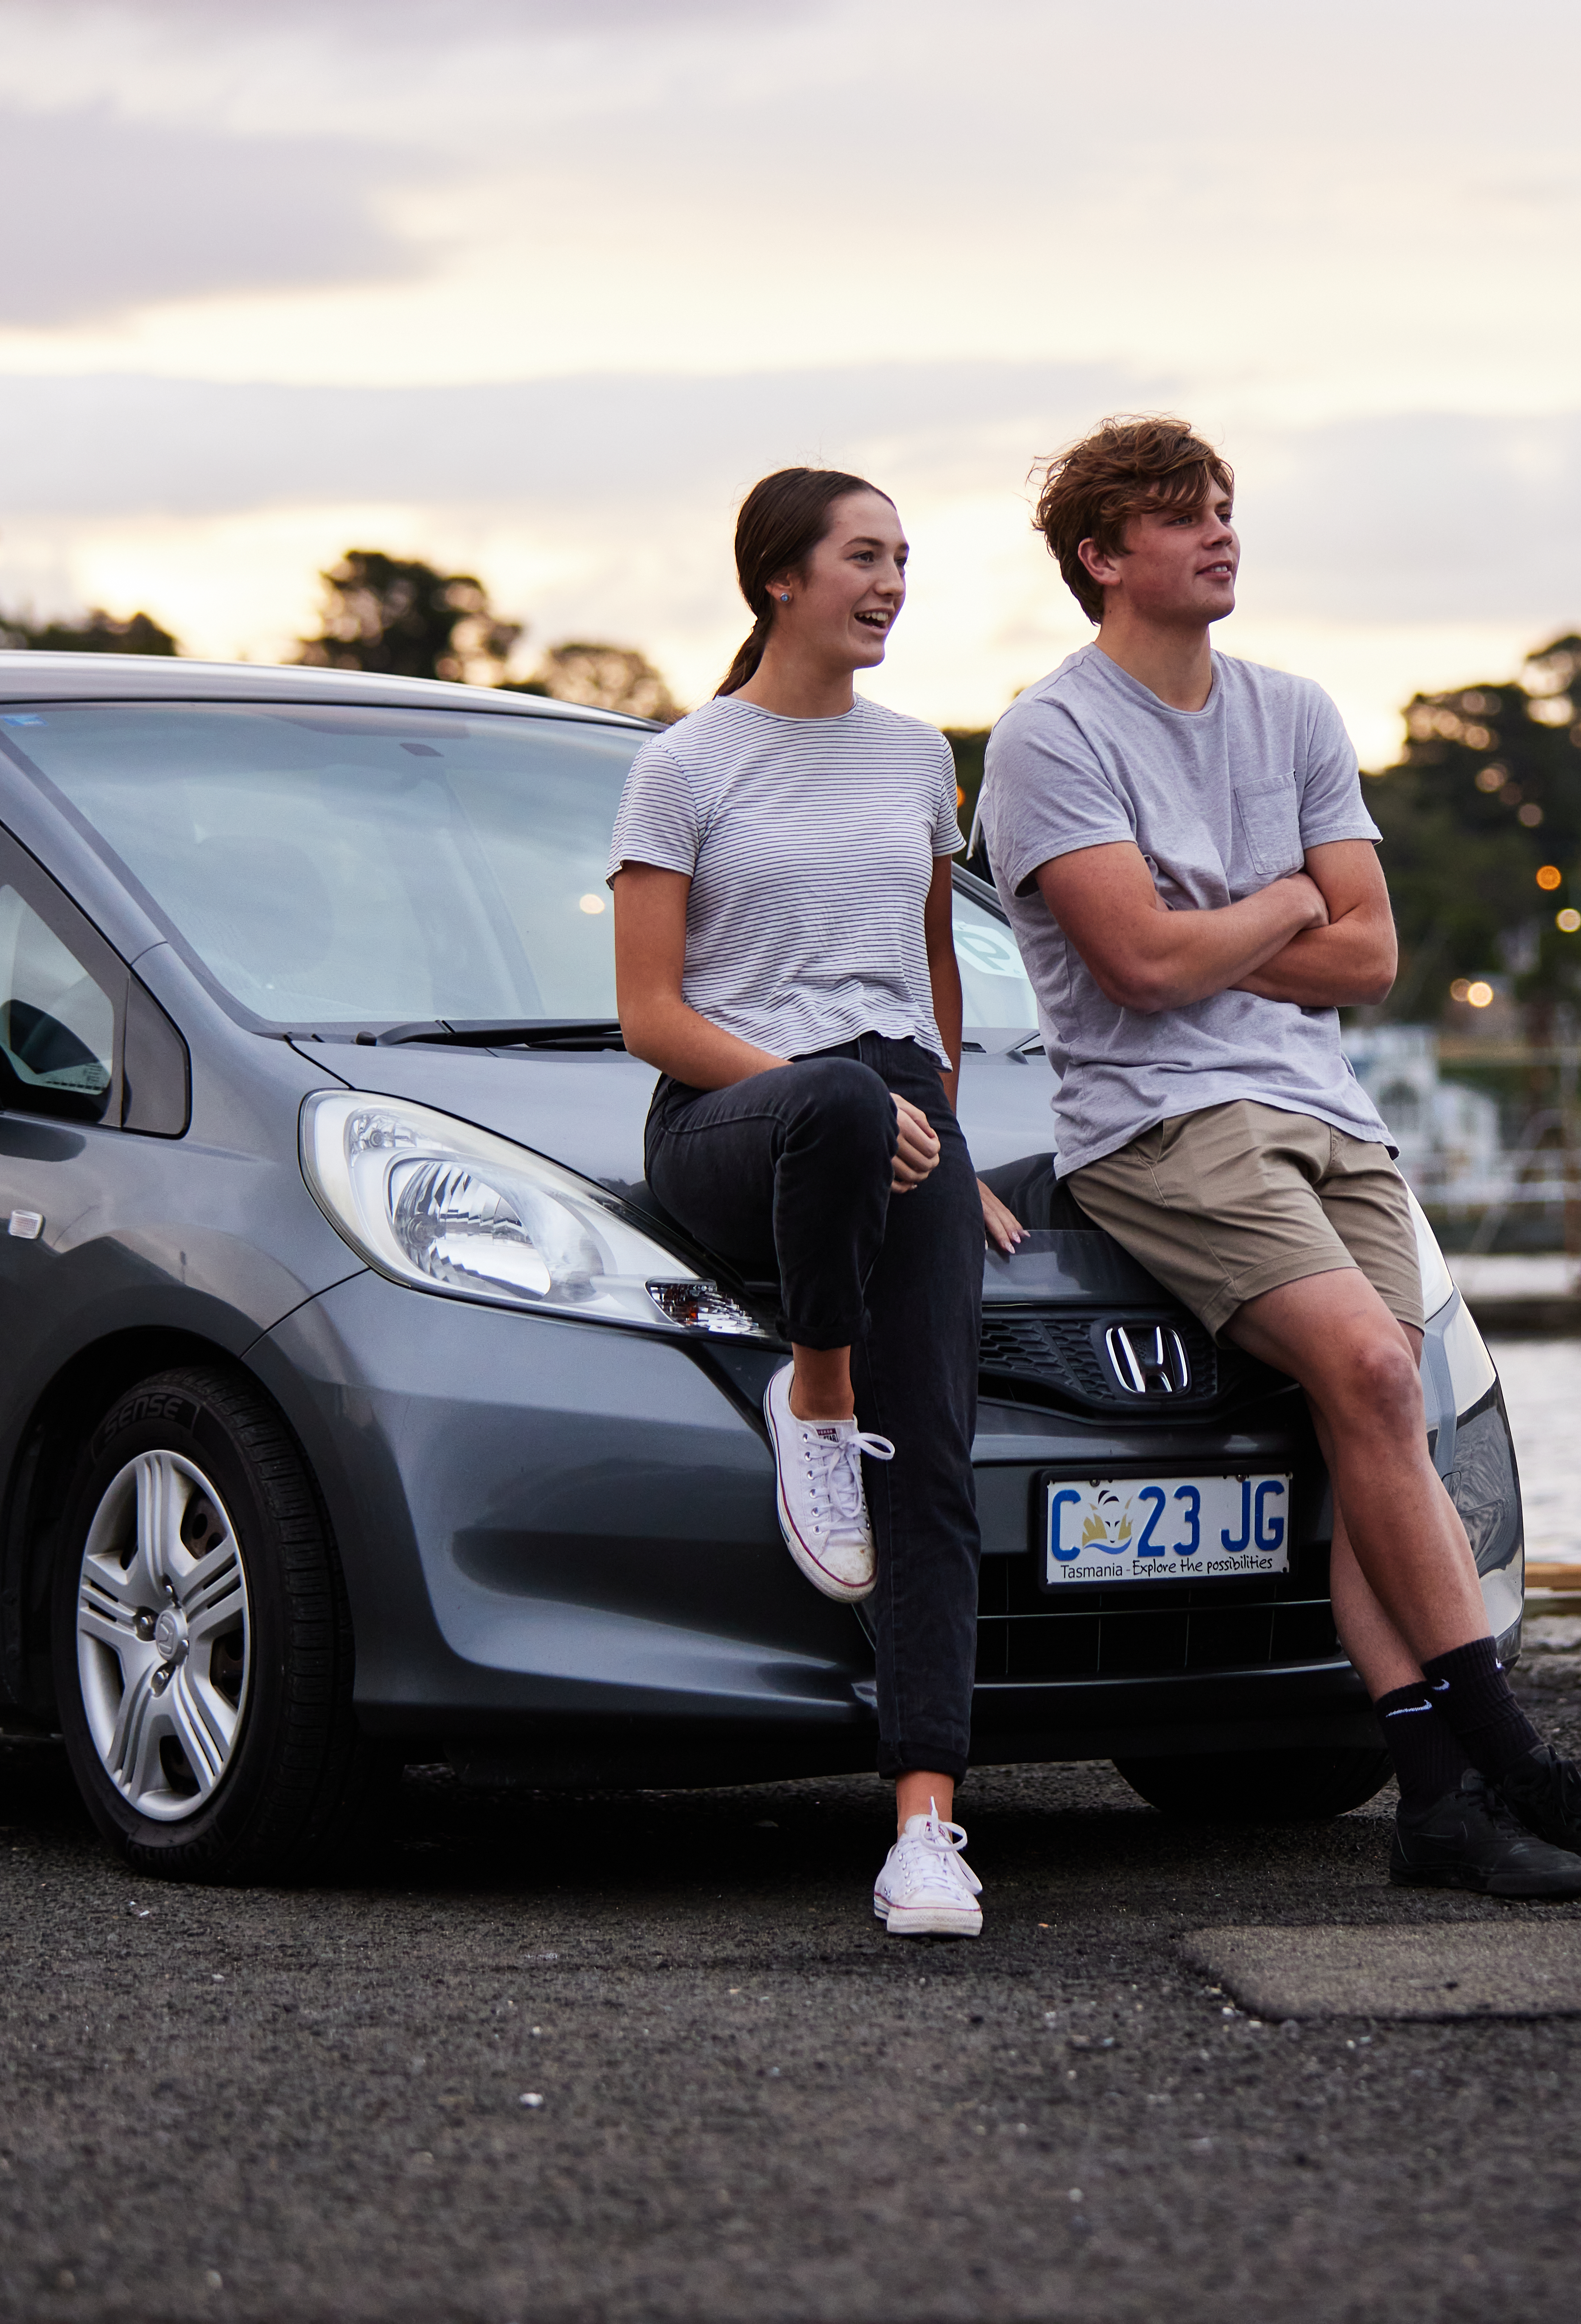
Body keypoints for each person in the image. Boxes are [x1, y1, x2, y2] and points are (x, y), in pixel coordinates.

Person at [976, 416, 1581, 1899]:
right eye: (1182, 519)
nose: (1221, 534)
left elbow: (1368, 957)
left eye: (1226, 508)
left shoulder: (1292, 712)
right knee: (1373, 1375)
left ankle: (1433, 1805)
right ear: (1104, 559)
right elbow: (1141, 970)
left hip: (1329, 1117)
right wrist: (1280, 898)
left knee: (1381, 1427)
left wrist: (1234, 921)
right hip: (1160, 1129)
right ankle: (1519, 1761)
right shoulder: (1055, 734)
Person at [607, 467, 1026, 1940]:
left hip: (899, 1112)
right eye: (865, 556)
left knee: (940, 1462)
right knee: (844, 1097)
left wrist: (947, 1139)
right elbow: (649, 1012)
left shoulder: (919, 757)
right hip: (732, 1118)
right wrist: (848, 1110)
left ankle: (925, 1831)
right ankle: (817, 1398)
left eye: (905, 558)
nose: (893, 581)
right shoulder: (686, 765)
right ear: (778, 577)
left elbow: (935, 966)